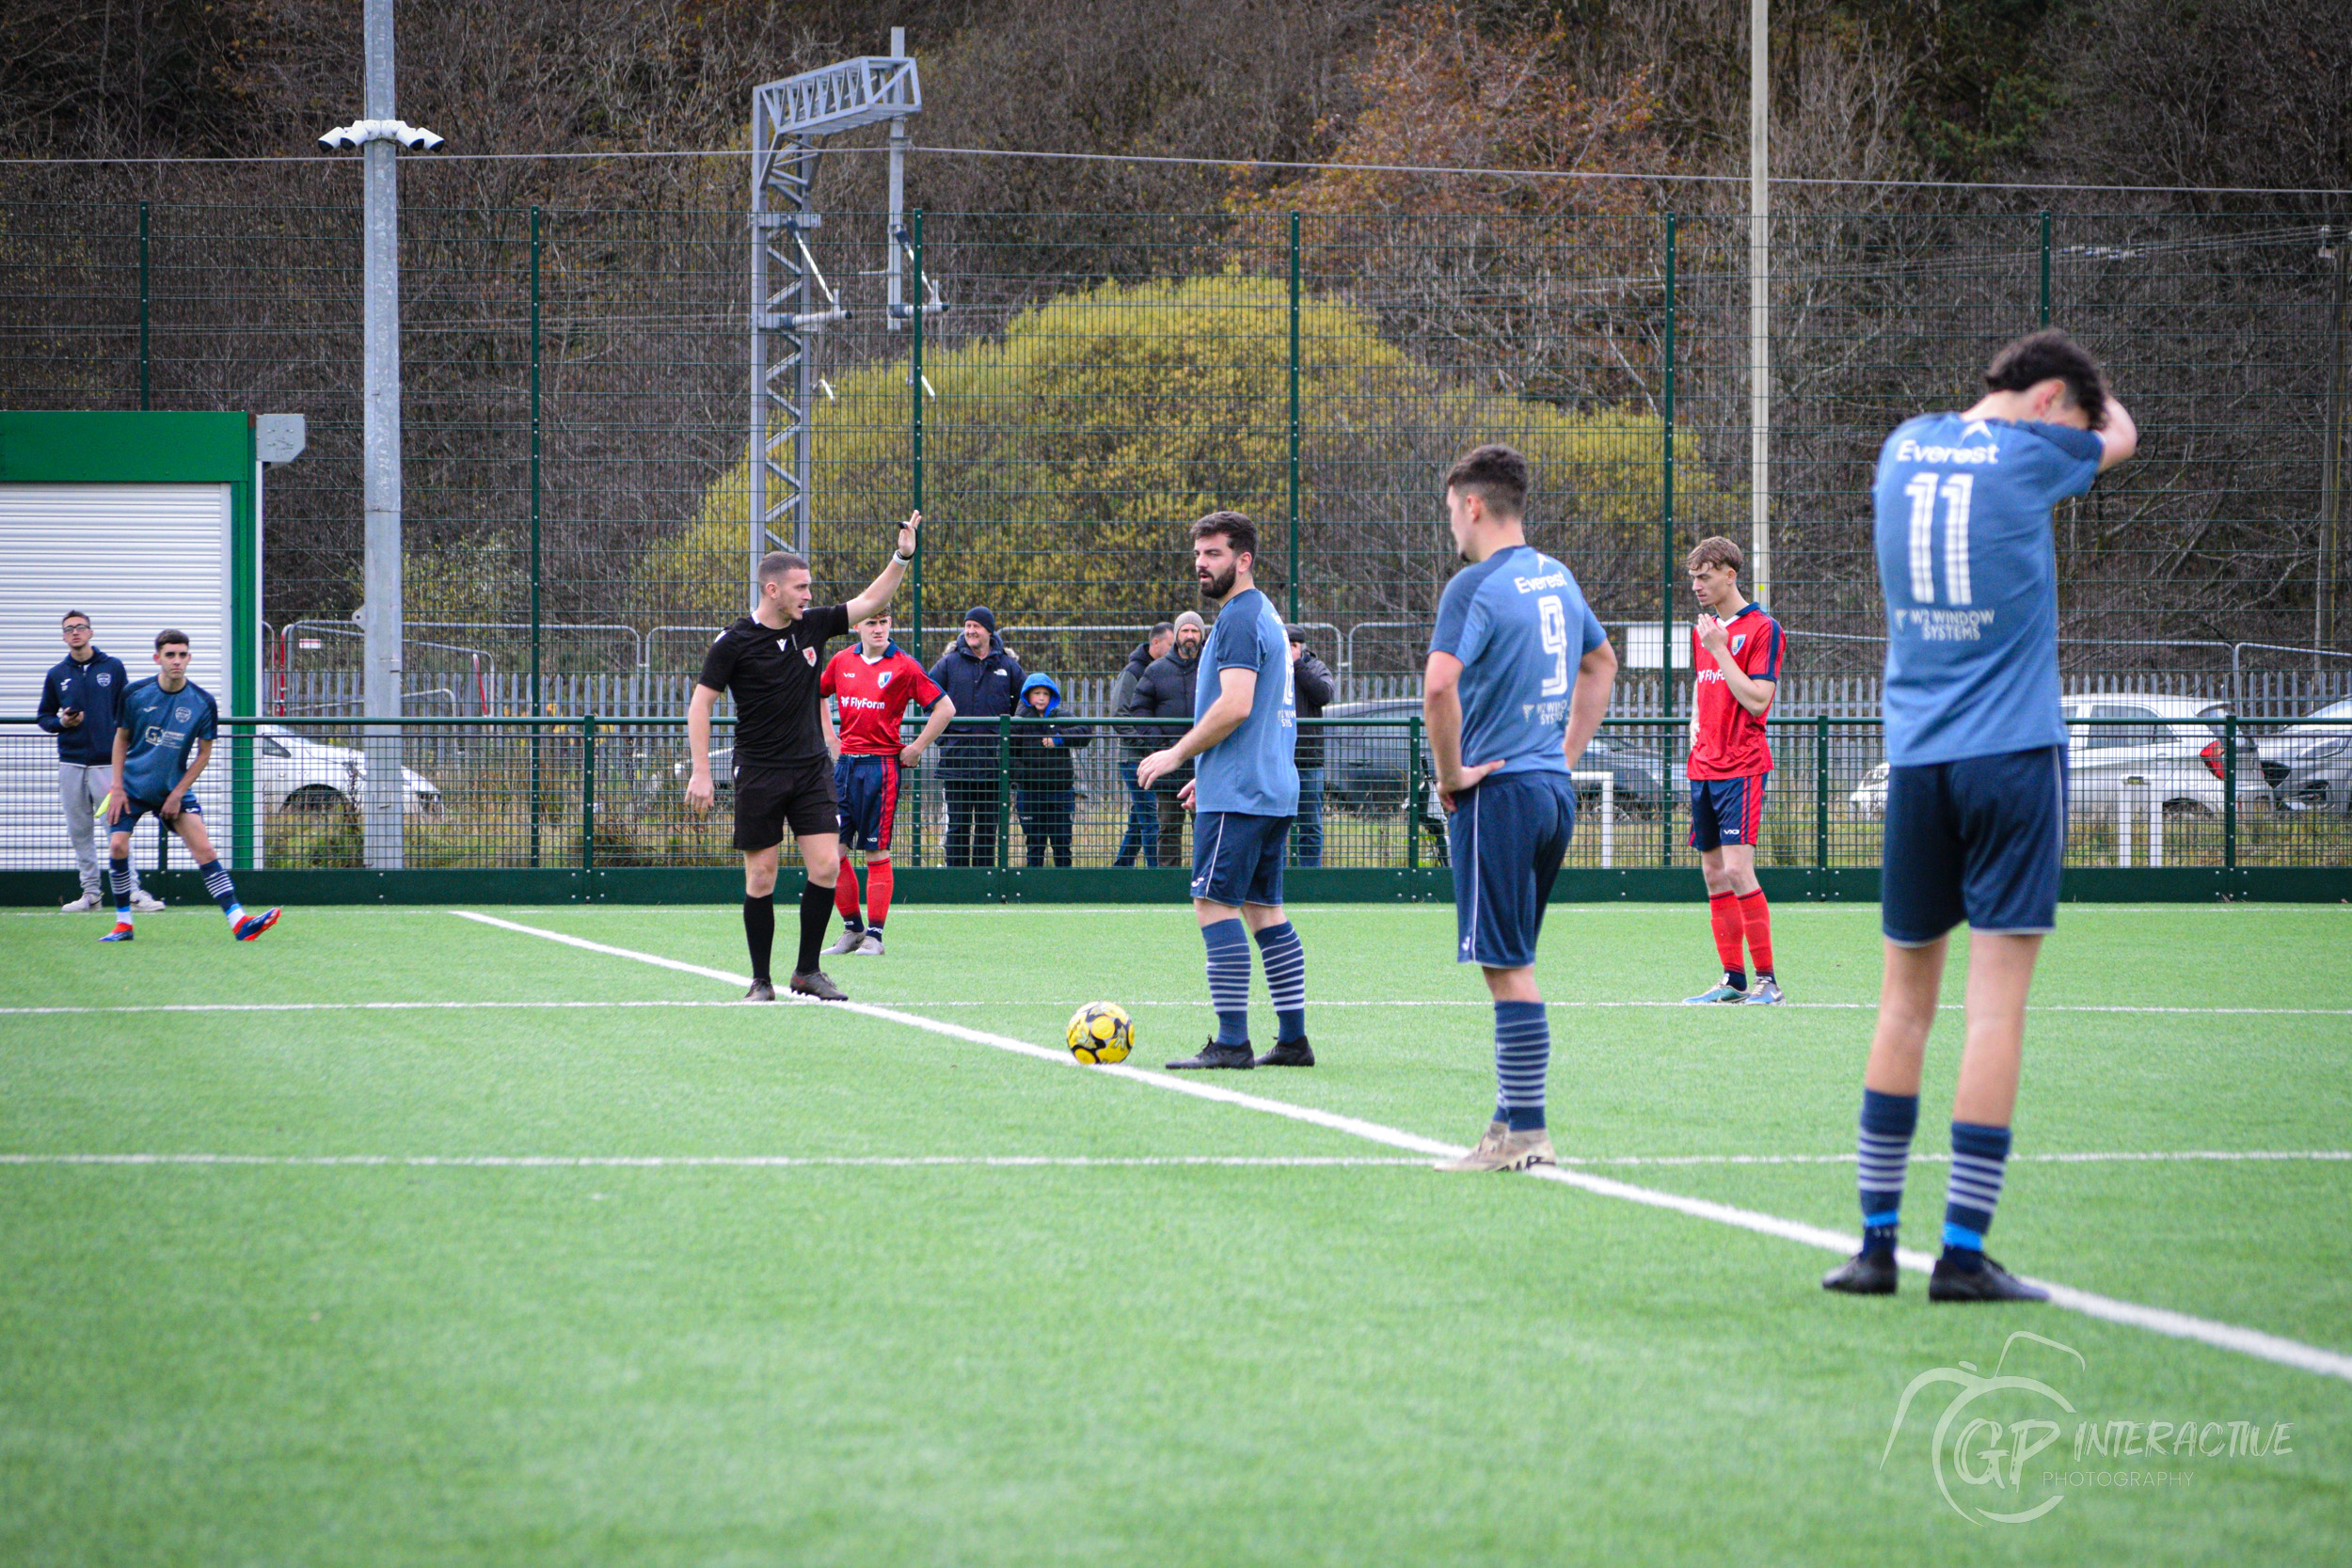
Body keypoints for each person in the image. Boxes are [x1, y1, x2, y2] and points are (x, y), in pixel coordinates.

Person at [1823, 328, 2137, 1304]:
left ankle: (1874, 1245)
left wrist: (2041, 396)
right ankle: (1961, 1252)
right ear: (2049, 402)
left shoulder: (1903, 445)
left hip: (1916, 760)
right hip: (2011, 755)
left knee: (1900, 1007)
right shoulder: (2035, 449)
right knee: (1993, 1008)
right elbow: (2120, 432)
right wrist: (2087, 401)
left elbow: (2030, 423)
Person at [1423, 444, 1615, 1171]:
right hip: (1549, 791)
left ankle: (1529, 1133)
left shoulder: (1473, 586)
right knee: (1513, 959)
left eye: (1450, 510)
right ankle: (1506, 1128)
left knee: (1506, 967)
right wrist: (1562, 754)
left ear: (1472, 505)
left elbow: (1439, 687)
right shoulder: (1557, 577)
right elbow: (1603, 663)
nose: (1451, 525)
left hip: (1497, 794)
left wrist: (1453, 772)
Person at [687, 515, 921, 1002]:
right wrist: (702, 772)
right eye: (801, 587)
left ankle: (807, 971)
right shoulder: (733, 643)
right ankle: (760, 981)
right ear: (772, 590)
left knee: (825, 867)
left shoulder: (812, 626)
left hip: (812, 770)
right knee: (762, 875)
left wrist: (902, 556)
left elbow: (872, 600)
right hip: (759, 772)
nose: (809, 595)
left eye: (810, 587)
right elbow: (701, 704)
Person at [1138, 513, 1311, 1070]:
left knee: (1213, 905)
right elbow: (1259, 714)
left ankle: (1233, 1042)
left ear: (1244, 561)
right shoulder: (1266, 616)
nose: (1201, 564)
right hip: (1267, 788)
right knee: (1266, 911)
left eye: (1213, 554)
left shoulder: (1238, 618)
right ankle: (1291, 1041)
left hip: (1240, 796)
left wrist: (1178, 753)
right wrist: (1206, 771)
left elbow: (1237, 705)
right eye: (1199, 553)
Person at [100, 629, 279, 943]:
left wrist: (178, 793)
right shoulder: (134, 694)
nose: (177, 661)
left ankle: (240, 923)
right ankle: (123, 924)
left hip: (173, 790)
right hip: (131, 788)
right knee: (117, 846)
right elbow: (121, 739)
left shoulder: (202, 702)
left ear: (189, 658)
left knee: (205, 849)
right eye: (170, 655)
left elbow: (205, 753)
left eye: (182, 654)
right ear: (158, 658)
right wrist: (116, 786)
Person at [1677, 536, 1786, 1005]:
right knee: (1714, 873)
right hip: (1705, 766)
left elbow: (1759, 699)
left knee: (1739, 870)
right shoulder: (1706, 631)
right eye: (1693, 578)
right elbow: (1708, 697)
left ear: (1729, 574)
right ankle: (1733, 980)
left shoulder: (1762, 628)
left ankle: (1768, 982)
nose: (1697, 585)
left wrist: (1721, 649)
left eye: (1704, 576)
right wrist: (1696, 731)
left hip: (1741, 765)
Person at [818, 611, 957, 958]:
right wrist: (831, 738)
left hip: (881, 767)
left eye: (883, 622)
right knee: (830, 852)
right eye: (870, 623)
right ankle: (853, 929)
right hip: (845, 767)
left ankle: (875, 937)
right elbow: (816, 693)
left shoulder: (905, 666)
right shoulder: (841, 661)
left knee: (875, 852)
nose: (878, 629)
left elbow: (945, 708)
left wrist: (918, 746)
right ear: (857, 627)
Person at [38, 610, 159, 913]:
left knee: (117, 829)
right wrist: (63, 722)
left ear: (90, 632)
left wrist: (131, 752)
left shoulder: (113, 667)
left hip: (108, 765)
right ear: (64, 637)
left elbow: (129, 709)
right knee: (80, 831)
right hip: (72, 764)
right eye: (69, 629)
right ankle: (91, 894)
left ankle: (132, 891)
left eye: (80, 627)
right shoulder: (57, 675)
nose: (75, 633)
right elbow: (44, 717)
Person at [928, 607, 1024, 868]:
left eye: (976, 626)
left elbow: (1024, 706)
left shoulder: (1008, 666)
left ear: (989, 631)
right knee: (957, 826)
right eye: (967, 626)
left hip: (993, 765)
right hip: (956, 762)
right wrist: (943, 738)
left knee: (987, 828)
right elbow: (927, 698)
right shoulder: (948, 664)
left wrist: (1009, 745)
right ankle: (956, 882)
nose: (970, 631)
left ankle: (985, 883)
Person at [1130, 610, 1205, 869]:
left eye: (1195, 631)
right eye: (1185, 630)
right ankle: (1168, 885)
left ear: (1201, 635)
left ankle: (1206, 883)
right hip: (1169, 766)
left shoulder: (1213, 668)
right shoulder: (1156, 670)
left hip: (1205, 764)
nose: (1190, 636)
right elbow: (1139, 709)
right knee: (1168, 829)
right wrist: (1160, 745)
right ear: (1177, 636)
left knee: (1206, 830)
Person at [1009, 673, 1092, 867]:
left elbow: (1086, 731)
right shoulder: (1019, 721)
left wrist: (1059, 738)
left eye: (1046, 694)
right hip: (1030, 794)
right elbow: (1007, 752)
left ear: (1052, 696)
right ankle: (1033, 888)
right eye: (1036, 693)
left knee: (1062, 841)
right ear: (1028, 696)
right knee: (1035, 843)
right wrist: (1024, 775)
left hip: (1060, 792)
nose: (1041, 698)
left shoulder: (1061, 716)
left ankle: (1064, 888)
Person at [1110, 623, 1175, 867]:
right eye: (1171, 644)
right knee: (1150, 819)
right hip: (1135, 759)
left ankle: (1120, 870)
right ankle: (1155, 873)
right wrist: (1147, 743)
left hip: (1150, 757)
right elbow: (1119, 715)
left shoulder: (1162, 671)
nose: (1174, 650)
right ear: (1155, 643)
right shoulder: (1133, 672)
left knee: (1140, 820)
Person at [1287, 631, 1335, 867]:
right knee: (1271, 823)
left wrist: (1297, 666)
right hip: (1276, 759)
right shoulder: (1270, 666)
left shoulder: (1315, 667)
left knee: (1310, 824)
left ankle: (1310, 876)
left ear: (1302, 648)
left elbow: (1323, 694)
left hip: (1308, 759)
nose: (1289, 649)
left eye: (1293, 645)